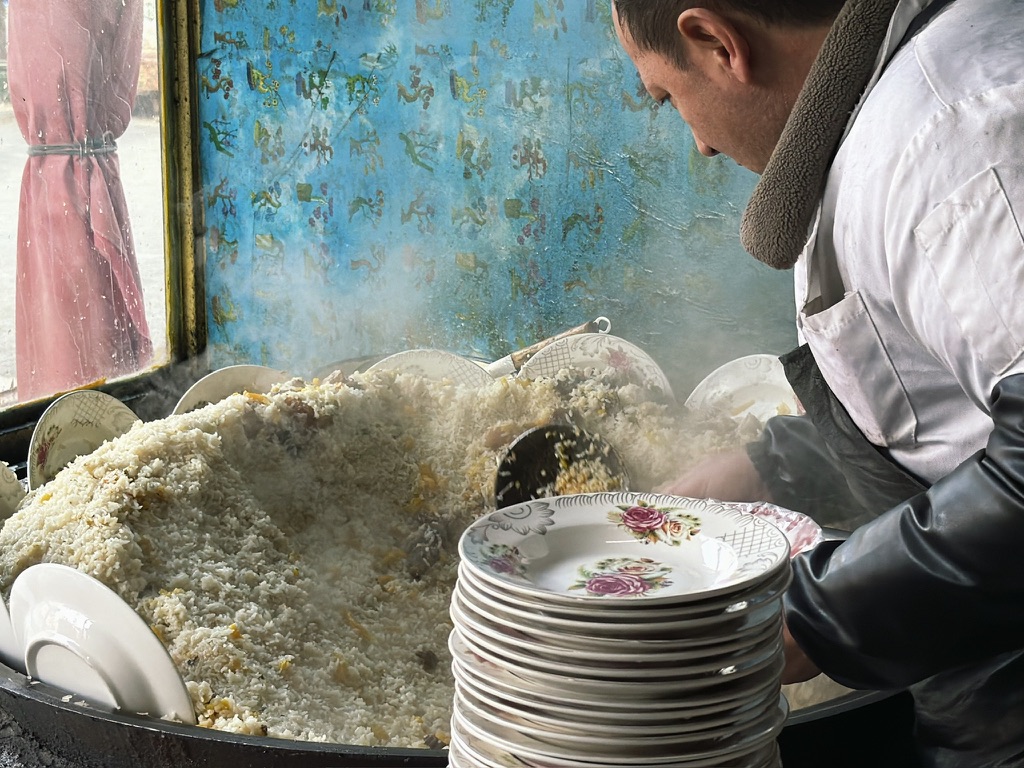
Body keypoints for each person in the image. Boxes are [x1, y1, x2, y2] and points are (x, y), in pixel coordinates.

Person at [611, 0, 1024, 766]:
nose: (699, 142)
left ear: (717, 42)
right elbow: (939, 395)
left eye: (667, 98)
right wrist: (773, 465)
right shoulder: (883, 117)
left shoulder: (960, 136)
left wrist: (812, 618)